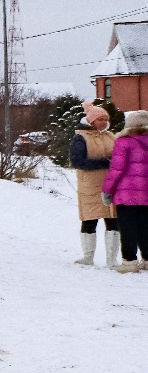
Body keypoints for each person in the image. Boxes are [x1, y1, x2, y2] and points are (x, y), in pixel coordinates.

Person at [70, 101, 119, 268]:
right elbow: (77, 161)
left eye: (106, 119)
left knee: (113, 220)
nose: (104, 122)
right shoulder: (80, 138)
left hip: (111, 185)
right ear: (91, 121)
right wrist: (104, 163)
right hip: (89, 186)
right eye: (100, 119)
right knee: (90, 220)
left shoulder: (110, 136)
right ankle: (88, 257)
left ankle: (112, 260)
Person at [102, 110, 148, 274]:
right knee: (145, 227)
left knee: (128, 228)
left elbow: (116, 169)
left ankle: (129, 262)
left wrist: (107, 190)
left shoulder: (124, 142)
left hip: (126, 195)